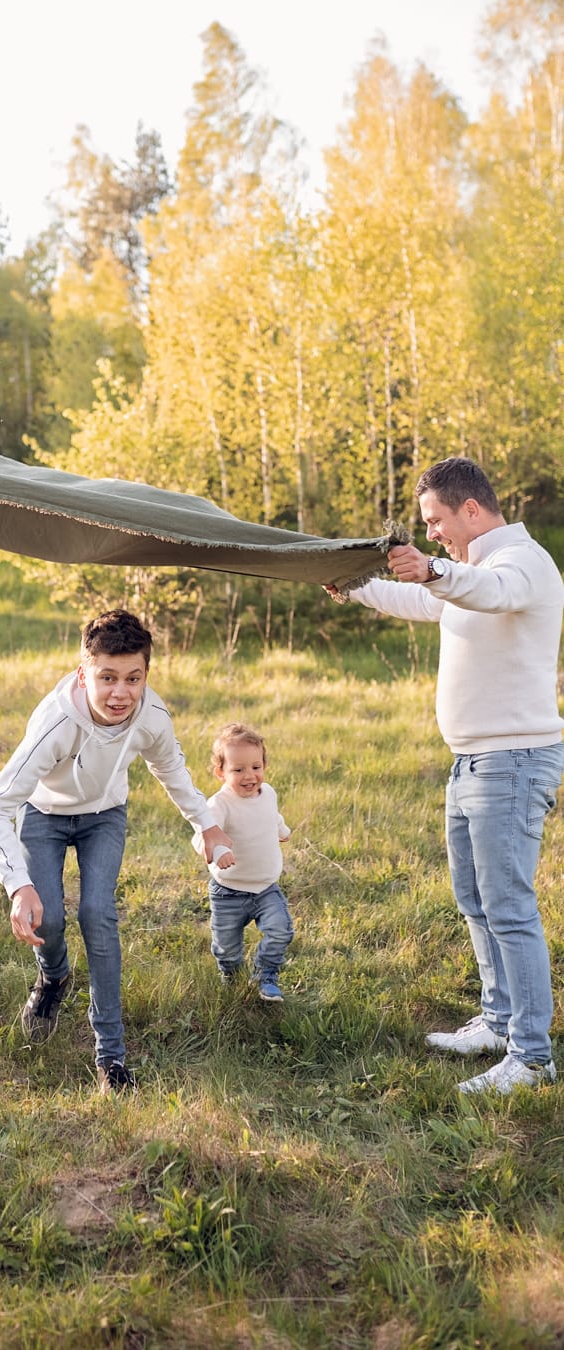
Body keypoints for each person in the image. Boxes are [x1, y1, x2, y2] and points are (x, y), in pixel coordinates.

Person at [328, 456, 563, 1094]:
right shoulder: (469, 576)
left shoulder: (523, 563)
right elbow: (420, 598)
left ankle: (531, 1058)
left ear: (471, 509)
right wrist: (354, 586)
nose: (431, 532)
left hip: (512, 762)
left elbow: (490, 591)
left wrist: (434, 569)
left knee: (509, 907)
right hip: (472, 762)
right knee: (476, 900)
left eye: (435, 521)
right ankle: (498, 1021)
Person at [0, 609, 232, 1094]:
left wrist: (209, 825)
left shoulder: (151, 716)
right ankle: (54, 978)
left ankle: (110, 1057)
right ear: (84, 675)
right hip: (44, 815)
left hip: (104, 816)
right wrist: (18, 886)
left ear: (146, 676)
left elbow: (172, 770)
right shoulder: (56, 724)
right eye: (107, 678)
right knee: (48, 918)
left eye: (133, 678)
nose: (121, 693)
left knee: (97, 914)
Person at [192, 722, 294, 1001]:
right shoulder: (219, 804)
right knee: (226, 949)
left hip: (266, 887)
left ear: (264, 765)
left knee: (281, 931)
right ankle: (232, 978)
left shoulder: (268, 793)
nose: (249, 776)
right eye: (238, 770)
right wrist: (218, 851)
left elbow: (271, 816)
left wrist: (281, 830)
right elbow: (201, 837)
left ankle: (265, 976)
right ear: (220, 772)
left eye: (256, 767)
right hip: (229, 892)